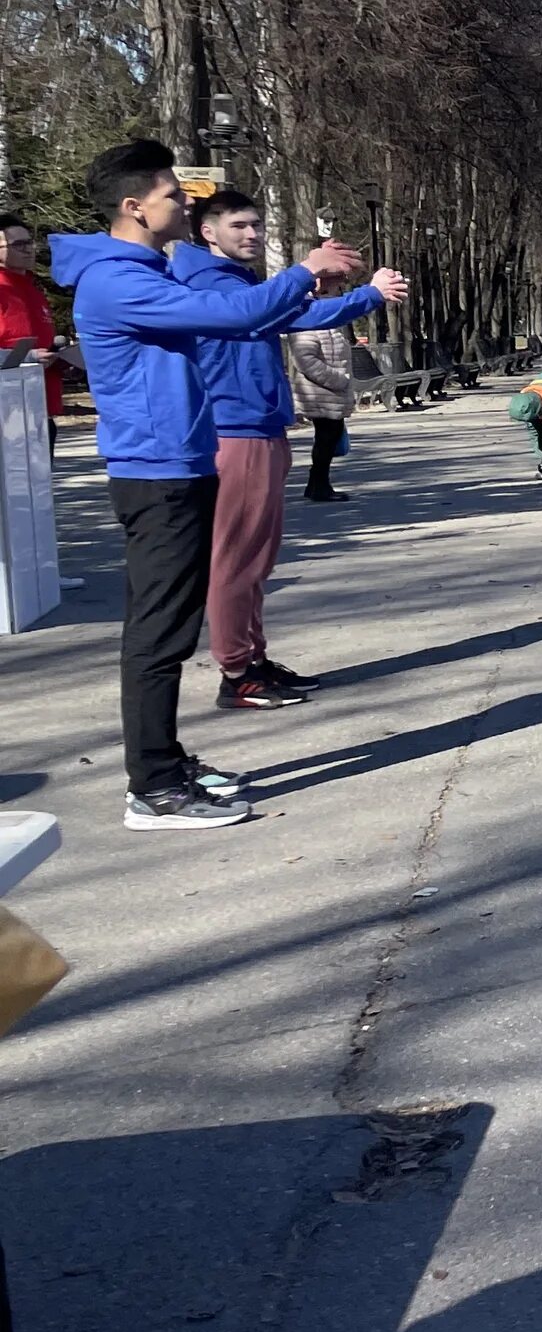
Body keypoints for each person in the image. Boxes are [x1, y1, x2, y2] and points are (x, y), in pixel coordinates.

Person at [53, 140, 361, 828]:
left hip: (181, 464)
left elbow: (245, 316)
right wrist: (308, 268)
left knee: (169, 626)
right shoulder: (117, 281)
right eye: (172, 195)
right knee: (159, 635)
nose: (182, 204)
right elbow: (235, 317)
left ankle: (164, 761)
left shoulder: (146, 272)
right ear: (134, 207)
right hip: (155, 474)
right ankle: (153, 789)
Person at [171, 189, 407, 708]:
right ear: (208, 232)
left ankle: (252, 660)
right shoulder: (208, 283)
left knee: (257, 559)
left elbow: (296, 314)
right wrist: (352, 289)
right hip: (235, 430)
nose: (252, 234)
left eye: (256, 225)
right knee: (236, 561)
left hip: (260, 428)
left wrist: (347, 291)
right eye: (239, 226)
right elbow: (281, 315)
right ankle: (237, 673)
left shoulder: (238, 281)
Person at [0, 216, 71, 447]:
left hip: (40, 410)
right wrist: (29, 358)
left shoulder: (33, 289)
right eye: (17, 244)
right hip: (7, 415)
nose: (28, 249)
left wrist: (64, 362)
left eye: (30, 242)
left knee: (39, 484)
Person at [287, 302, 356, 502]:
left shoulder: (329, 325)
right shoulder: (305, 326)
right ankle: (319, 486)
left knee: (330, 438)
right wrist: (338, 379)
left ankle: (317, 484)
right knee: (326, 439)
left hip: (332, 393)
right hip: (319, 393)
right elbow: (305, 360)